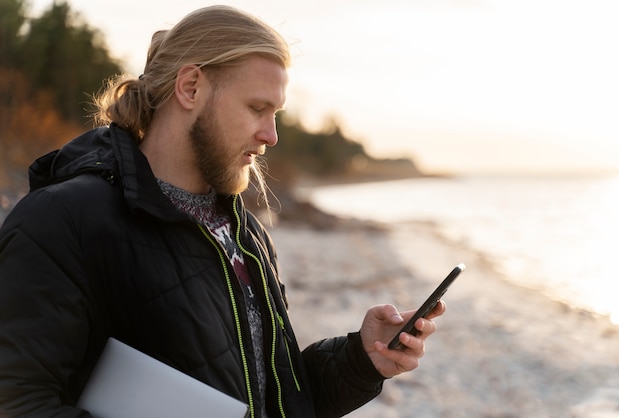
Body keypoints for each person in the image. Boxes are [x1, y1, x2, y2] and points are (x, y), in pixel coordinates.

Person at [0, 5, 445, 417]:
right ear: (190, 87)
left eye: (276, 114)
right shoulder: (63, 220)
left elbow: (272, 397)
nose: (271, 135)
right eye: (257, 108)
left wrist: (360, 359)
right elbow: (15, 400)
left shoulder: (244, 233)